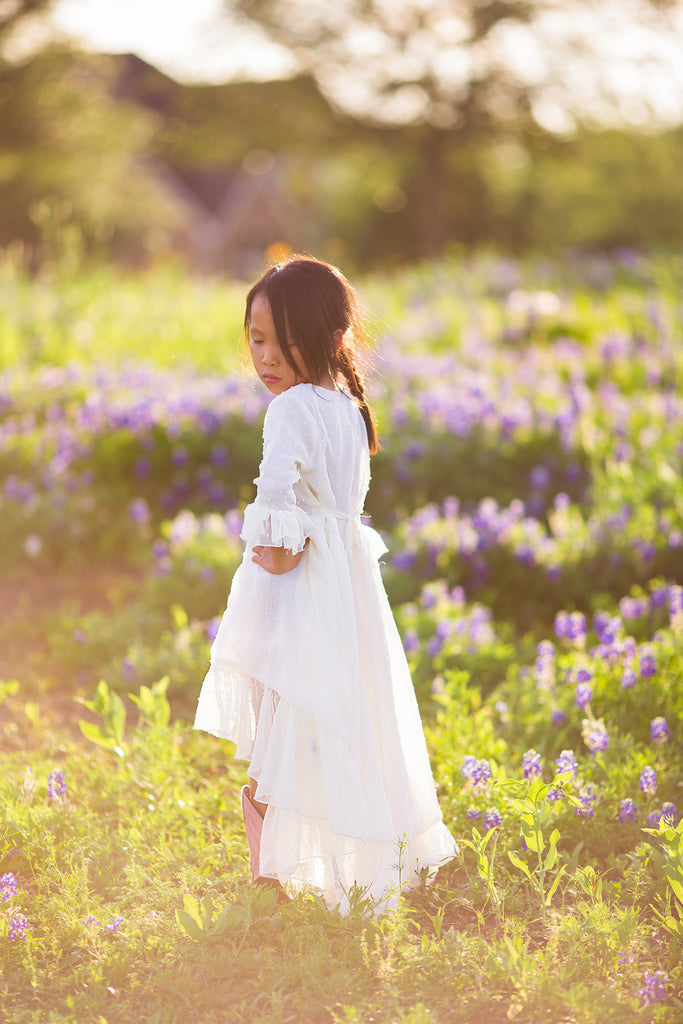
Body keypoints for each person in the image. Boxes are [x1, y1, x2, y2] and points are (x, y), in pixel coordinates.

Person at [194, 254, 456, 913]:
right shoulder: (348, 407)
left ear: (330, 337)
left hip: (295, 594)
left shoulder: (289, 410)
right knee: (340, 729)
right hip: (350, 593)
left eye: (283, 340)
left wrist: (270, 550)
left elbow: (275, 513)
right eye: (256, 339)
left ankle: (271, 882)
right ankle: (349, 871)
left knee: (278, 735)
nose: (266, 356)